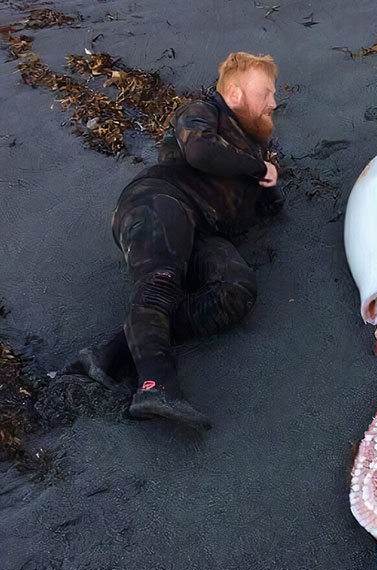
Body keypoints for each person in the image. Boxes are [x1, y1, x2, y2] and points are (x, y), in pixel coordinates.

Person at [75, 51, 283, 429]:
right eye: (266, 92)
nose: (273, 101)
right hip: (159, 201)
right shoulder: (202, 112)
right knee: (162, 281)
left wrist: (269, 184)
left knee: (236, 289)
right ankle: (156, 385)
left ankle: (111, 351)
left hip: (204, 230)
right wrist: (258, 168)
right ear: (234, 94)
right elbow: (201, 151)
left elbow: (264, 203)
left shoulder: (253, 148)